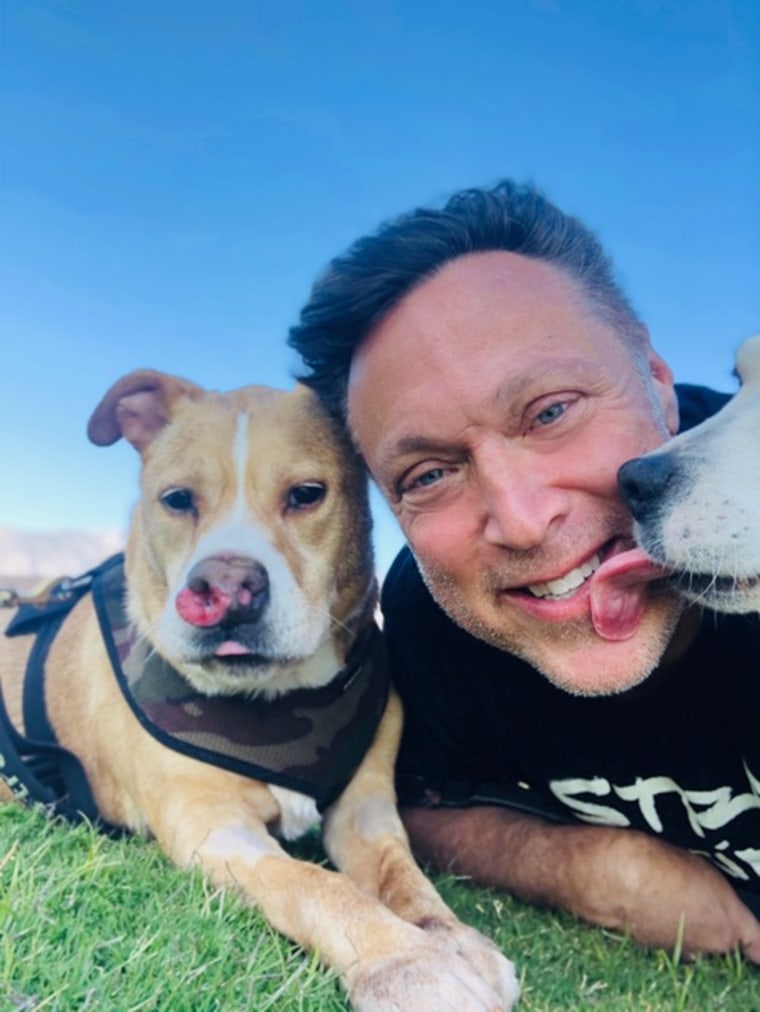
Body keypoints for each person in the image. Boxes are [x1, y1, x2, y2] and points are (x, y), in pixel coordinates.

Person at [288, 180, 760, 962]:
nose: (521, 518)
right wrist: (588, 869)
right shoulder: (432, 616)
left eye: (551, 411)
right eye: (428, 475)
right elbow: (416, 806)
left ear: (659, 381)